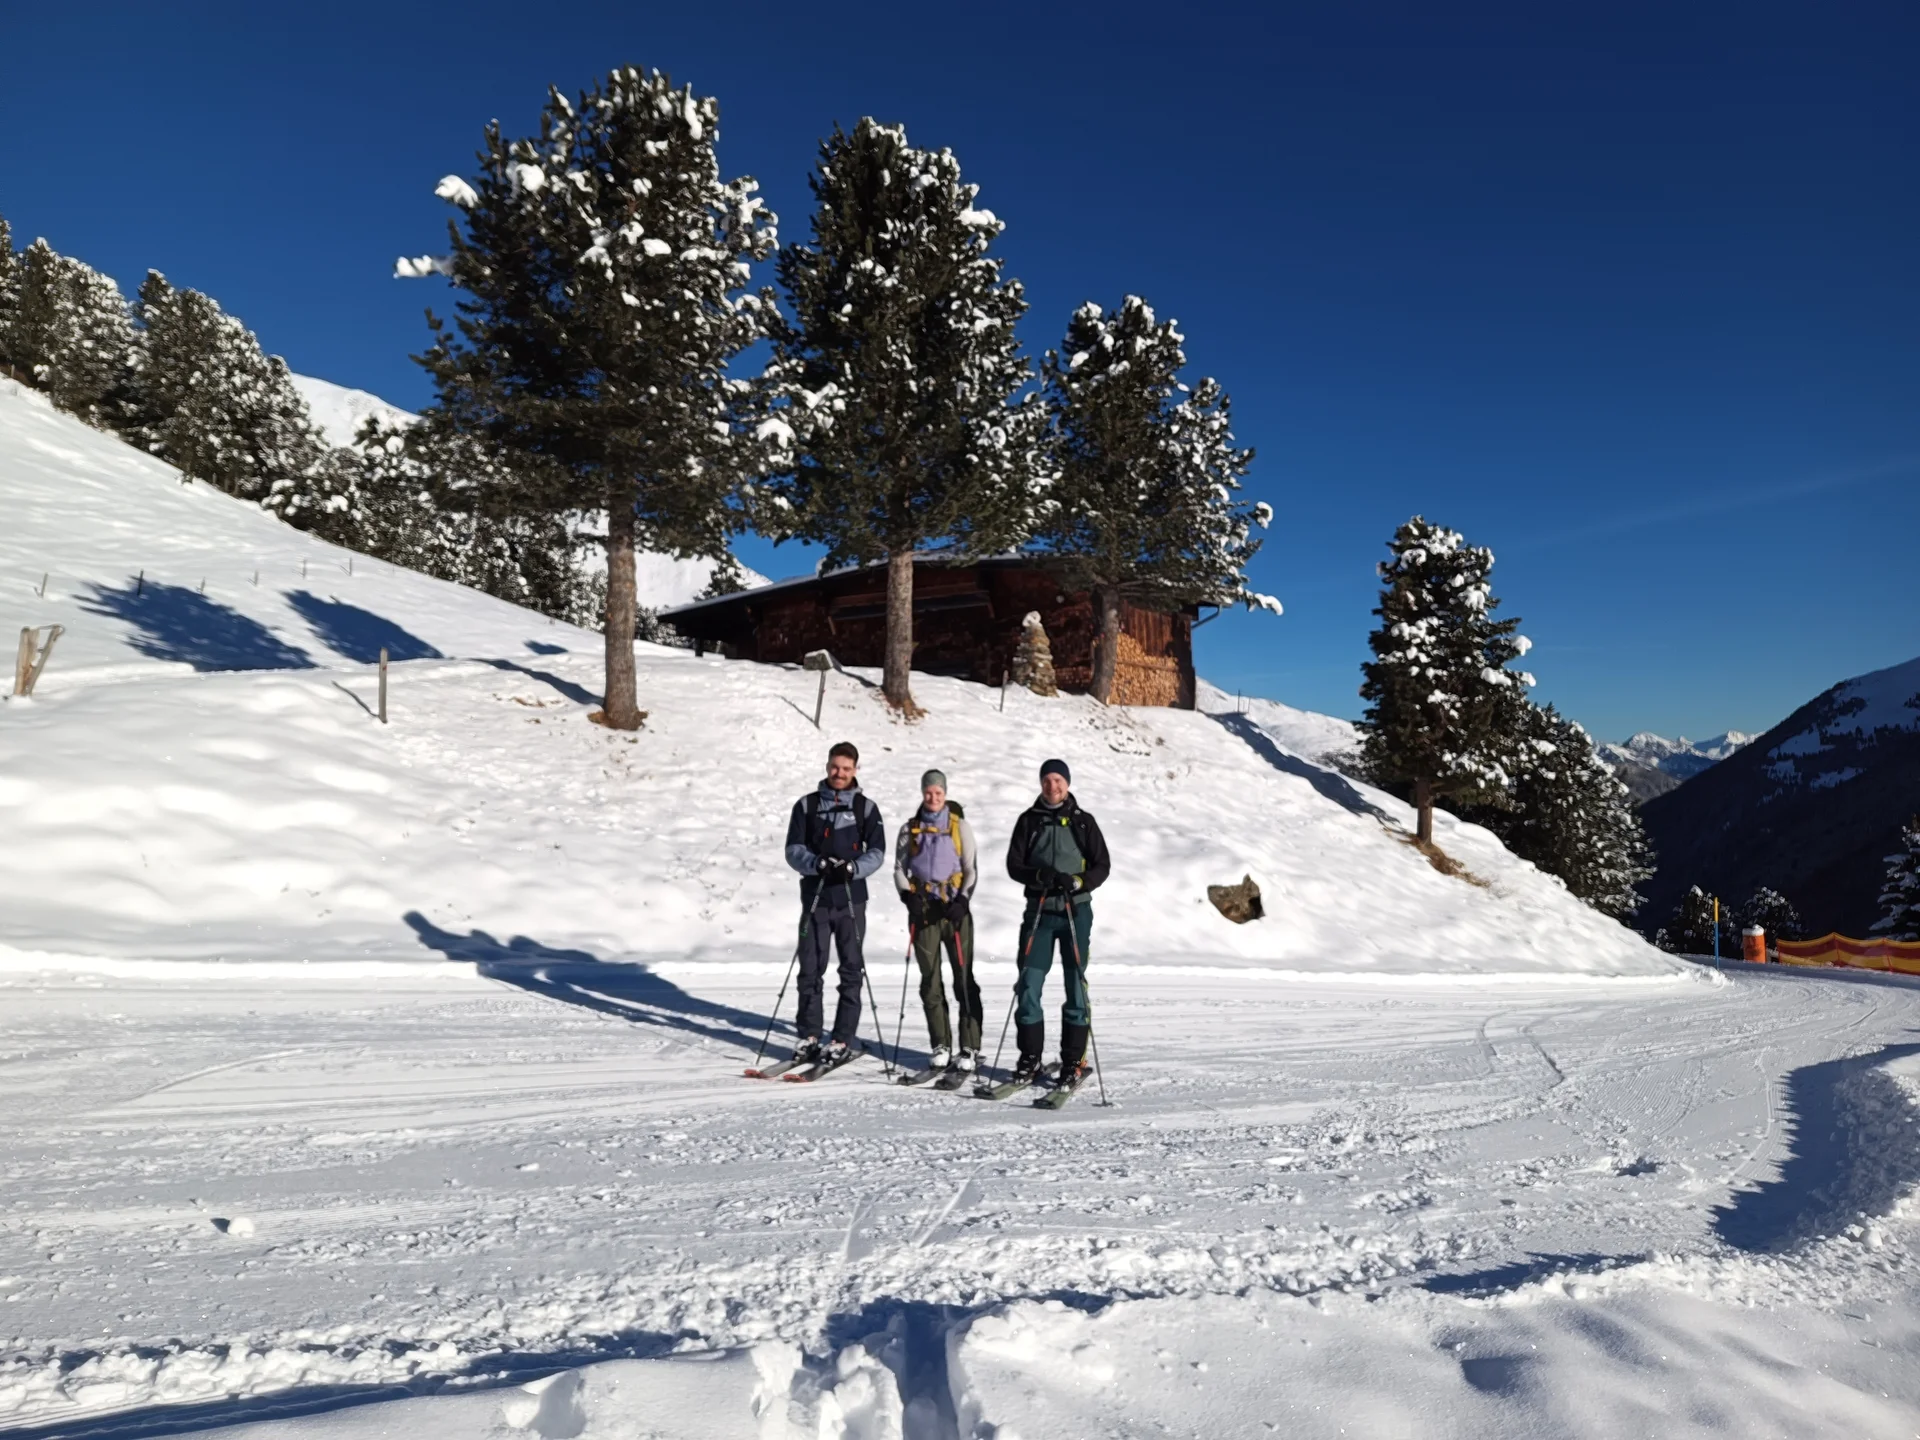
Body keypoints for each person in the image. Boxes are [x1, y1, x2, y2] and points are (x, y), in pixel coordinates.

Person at [1005, 758, 1111, 1086]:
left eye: (1058, 780)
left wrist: (1078, 882)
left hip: (1074, 913)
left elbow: (1102, 865)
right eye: (1047, 780)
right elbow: (1014, 865)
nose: (1053, 786)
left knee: (1075, 985)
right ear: (1041, 784)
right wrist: (1039, 875)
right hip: (1039, 912)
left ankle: (1073, 1061)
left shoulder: (1083, 822)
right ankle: (1030, 1058)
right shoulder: (1029, 821)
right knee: (1028, 985)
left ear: (1067, 783)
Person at [783, 741, 887, 1064]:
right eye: (834, 767)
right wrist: (817, 864)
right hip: (815, 898)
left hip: (851, 900)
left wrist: (853, 868)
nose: (839, 773)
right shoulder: (806, 805)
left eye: (845, 768)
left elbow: (878, 852)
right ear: (827, 766)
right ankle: (810, 1034)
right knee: (810, 969)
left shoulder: (865, 808)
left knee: (851, 970)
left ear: (855, 770)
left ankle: (842, 1037)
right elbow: (793, 849)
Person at [893, 768, 981, 1073]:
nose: (933, 797)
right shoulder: (910, 829)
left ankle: (969, 1046)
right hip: (924, 911)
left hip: (954, 911)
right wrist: (908, 896)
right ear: (922, 792)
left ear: (945, 794)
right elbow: (899, 869)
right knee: (930, 980)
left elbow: (970, 869)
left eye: (938, 793)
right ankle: (940, 1044)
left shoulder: (959, 827)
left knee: (963, 978)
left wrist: (963, 900)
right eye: (929, 792)